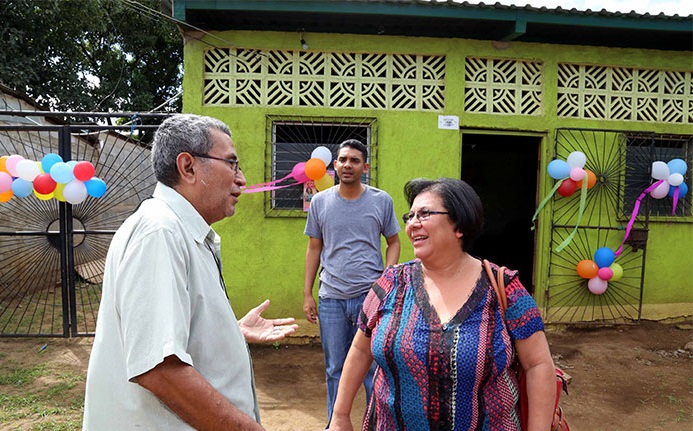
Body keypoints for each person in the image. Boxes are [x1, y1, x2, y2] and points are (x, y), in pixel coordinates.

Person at [83, 114, 298, 430]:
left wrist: (229, 334)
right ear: (188, 167)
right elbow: (159, 370)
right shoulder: (160, 233)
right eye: (232, 165)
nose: (241, 179)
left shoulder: (185, 232)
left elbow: (163, 337)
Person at [328, 178, 557, 431]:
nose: (413, 223)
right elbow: (360, 350)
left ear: (459, 224)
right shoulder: (391, 283)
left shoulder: (504, 288)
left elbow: (538, 364)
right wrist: (339, 416)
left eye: (424, 214)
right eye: (410, 215)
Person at [303, 139, 401, 426]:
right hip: (331, 297)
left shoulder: (381, 200)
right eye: (343, 159)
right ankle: (336, 424)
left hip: (369, 298)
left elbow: (393, 242)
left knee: (372, 369)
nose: (348, 165)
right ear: (334, 165)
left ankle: (375, 424)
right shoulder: (320, 202)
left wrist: (386, 281)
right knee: (335, 368)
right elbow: (314, 249)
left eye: (355, 160)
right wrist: (308, 293)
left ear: (365, 167)